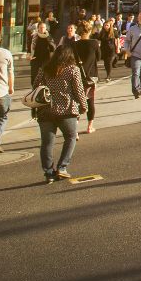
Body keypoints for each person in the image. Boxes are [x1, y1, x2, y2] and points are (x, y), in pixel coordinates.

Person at [34, 44, 87, 183]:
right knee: (70, 137)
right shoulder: (72, 70)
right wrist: (84, 106)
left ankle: (48, 173)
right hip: (66, 110)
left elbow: (35, 87)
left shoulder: (45, 69)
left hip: (46, 111)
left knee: (46, 143)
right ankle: (62, 167)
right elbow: (78, 90)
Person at [70, 22, 101, 134]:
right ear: (89, 31)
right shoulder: (94, 43)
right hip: (91, 76)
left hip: (77, 76)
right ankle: (89, 126)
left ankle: (75, 129)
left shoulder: (74, 45)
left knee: (77, 101)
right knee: (90, 101)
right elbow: (98, 57)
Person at [29, 21, 55, 89]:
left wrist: (52, 53)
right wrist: (29, 54)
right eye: (40, 28)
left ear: (46, 28)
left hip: (46, 58)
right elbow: (30, 46)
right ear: (38, 28)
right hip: (36, 58)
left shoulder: (49, 37)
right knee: (35, 75)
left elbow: (52, 46)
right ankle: (34, 89)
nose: (42, 29)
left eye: (43, 27)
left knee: (45, 75)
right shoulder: (34, 37)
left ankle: (45, 89)